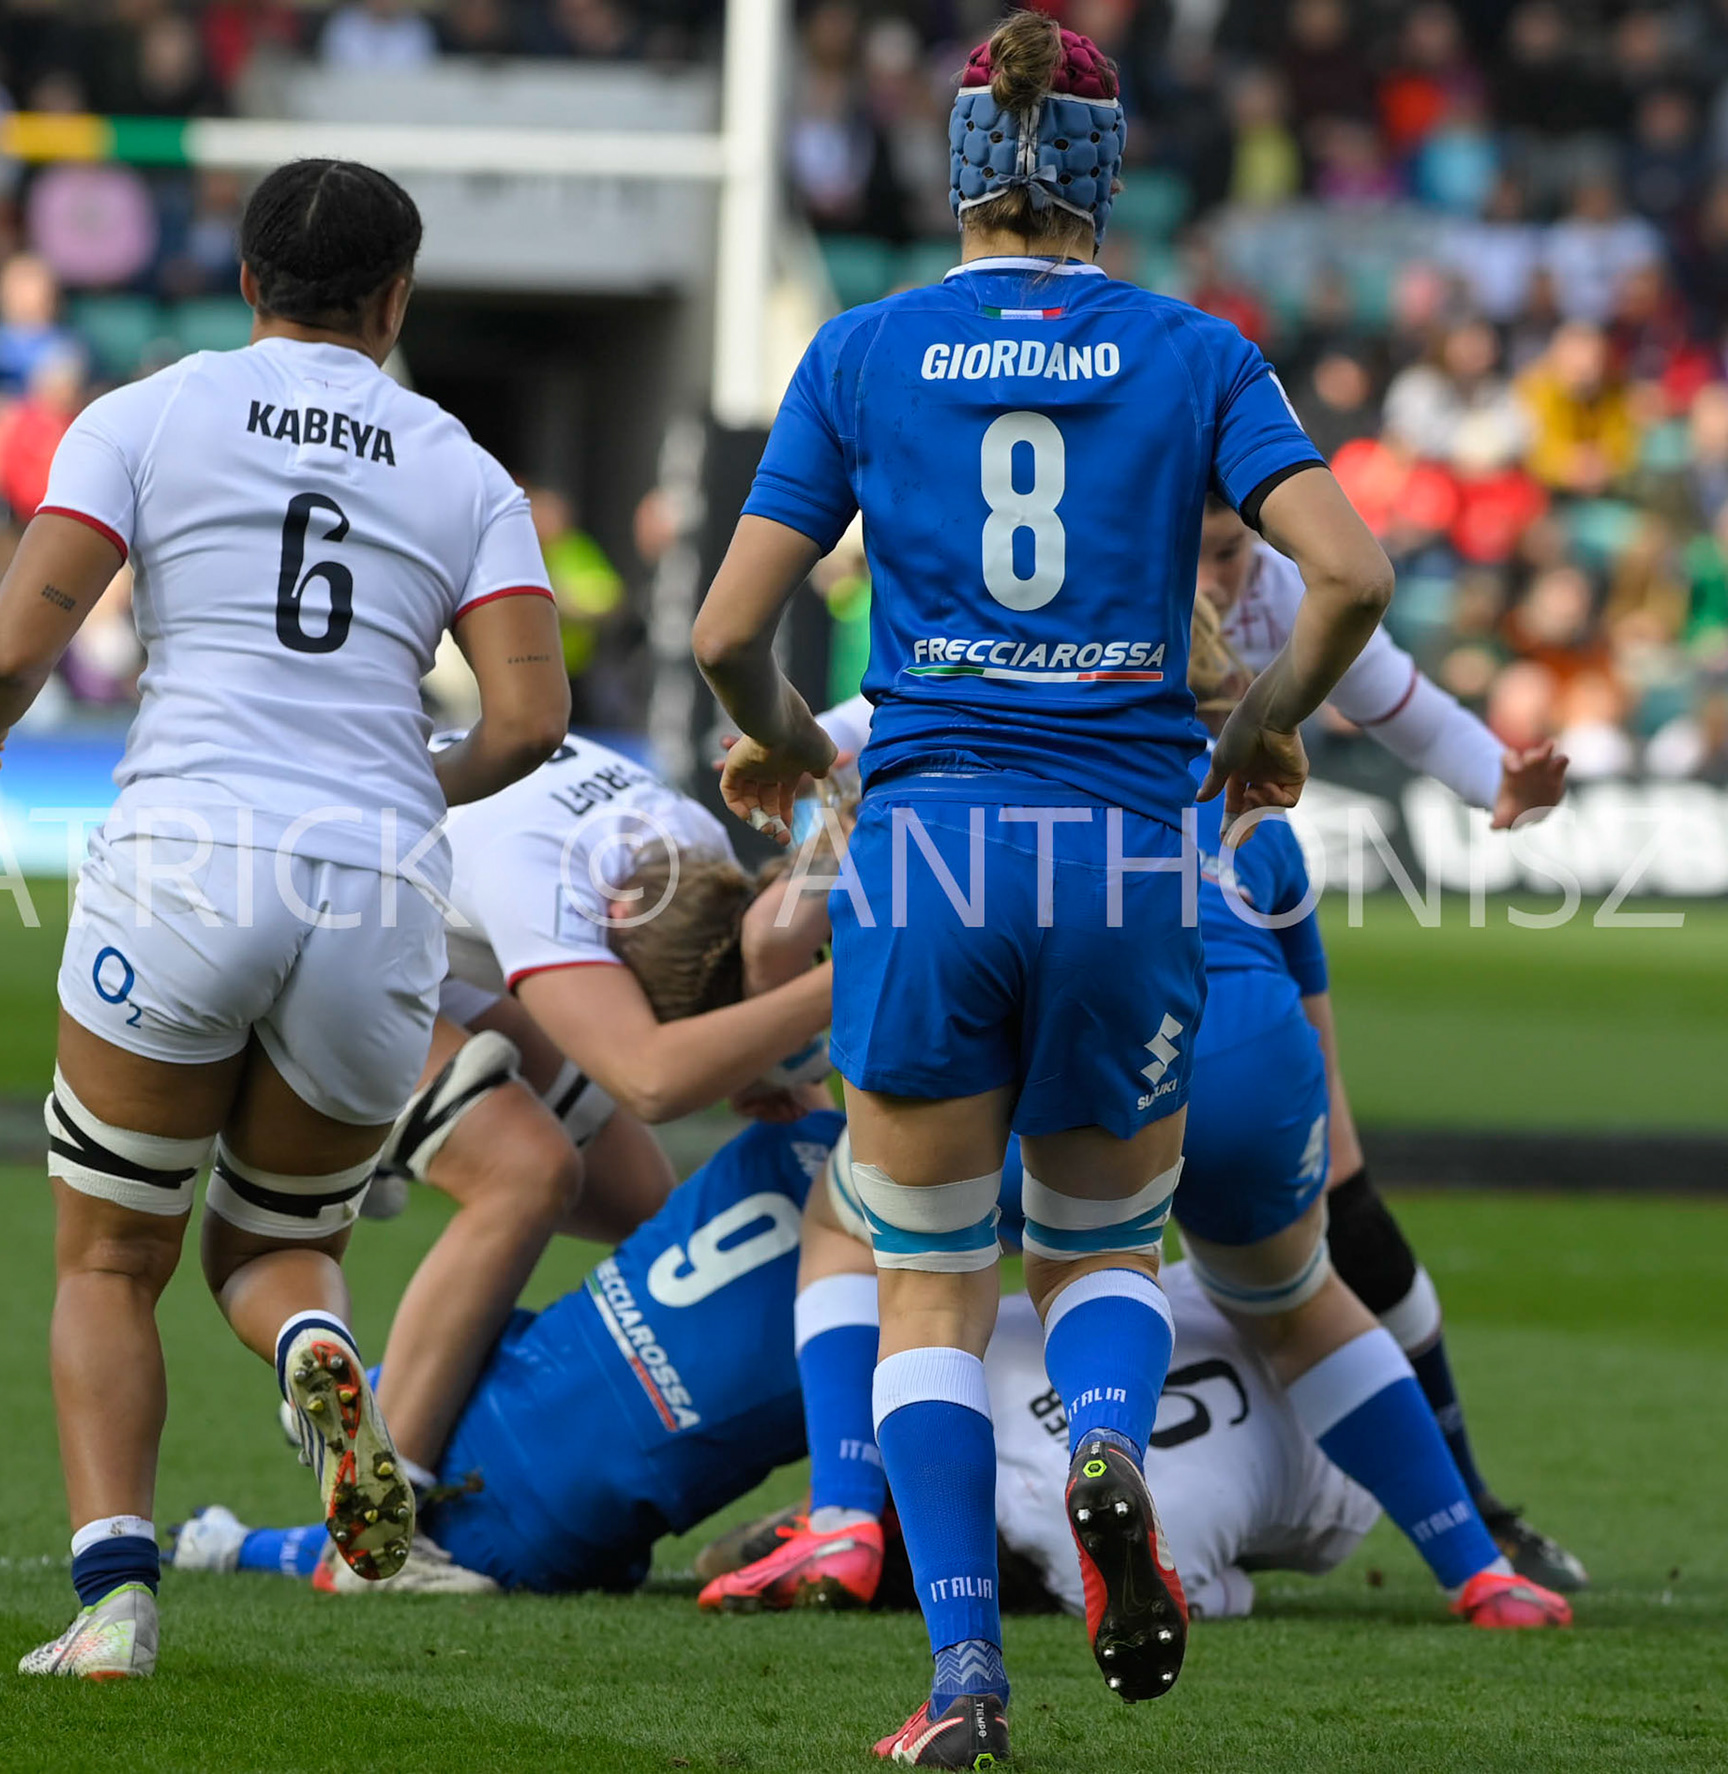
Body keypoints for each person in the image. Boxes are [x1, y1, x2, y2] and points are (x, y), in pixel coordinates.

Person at [690, 14, 1392, 1761]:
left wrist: (788, 743)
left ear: (957, 167)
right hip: (1130, 845)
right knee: (1102, 1253)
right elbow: (1353, 575)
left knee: (926, 1279)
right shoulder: (1197, 352)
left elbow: (722, 632)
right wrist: (1265, 734)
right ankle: (1099, 1438)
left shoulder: (860, 352)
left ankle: (963, 1682)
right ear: (1106, 167)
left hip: (932, 847)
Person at [0, 158, 571, 1680]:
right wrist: (419, 778)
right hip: (377, 886)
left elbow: (27, 626)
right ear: (397, 298)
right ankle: (317, 1357)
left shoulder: (149, 411)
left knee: (109, 1257)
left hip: (187, 855)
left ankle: (113, 1603)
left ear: (245, 283)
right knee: (276, 1242)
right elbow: (534, 714)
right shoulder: (462, 465)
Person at [804, 498, 1586, 1596]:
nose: (1223, 578)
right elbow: (1302, 956)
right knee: (1301, 1288)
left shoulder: (1066, 610)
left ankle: (851, 1522)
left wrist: (790, 744)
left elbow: (893, 715)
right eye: (1208, 555)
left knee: (894, 1239)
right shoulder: (1261, 791)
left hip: (1079, 973)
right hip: (1240, 1037)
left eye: (1235, 552)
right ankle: (1477, 1563)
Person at [171, 1115, 1397, 1626]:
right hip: (552, 1529)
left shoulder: (783, 1142)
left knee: (535, 1375)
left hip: (515, 1388)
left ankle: (290, 1508)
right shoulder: (948, 1244)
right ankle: (848, 1518)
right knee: (972, 1319)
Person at [357, 726, 838, 1484]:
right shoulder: (543, 876)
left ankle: (399, 1384)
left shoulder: (692, 851)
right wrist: (836, 984)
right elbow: (651, 1078)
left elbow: (737, 1008)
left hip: (410, 920)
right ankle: (379, 1511)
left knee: (646, 1205)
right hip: (314, 934)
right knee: (524, 1174)